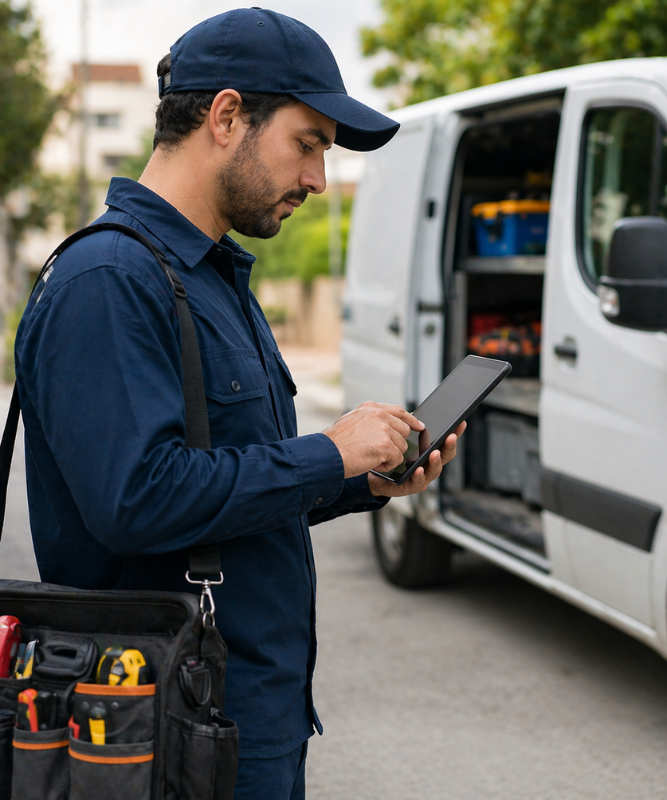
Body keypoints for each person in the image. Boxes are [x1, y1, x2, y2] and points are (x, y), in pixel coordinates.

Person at [14, 8, 464, 799]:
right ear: (226, 117)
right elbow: (138, 501)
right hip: (160, 734)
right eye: (309, 143)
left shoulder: (213, 277)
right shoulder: (109, 283)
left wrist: (357, 480)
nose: (319, 180)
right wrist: (328, 452)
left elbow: (224, 485)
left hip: (246, 716)